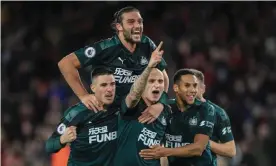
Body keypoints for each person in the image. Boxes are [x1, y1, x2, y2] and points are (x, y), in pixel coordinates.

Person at [57, 6, 169, 120]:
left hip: (137, 115)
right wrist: (83, 96)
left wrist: (160, 104)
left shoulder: (147, 44)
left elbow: (163, 76)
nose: (137, 26)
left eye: (140, 22)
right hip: (107, 116)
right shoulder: (106, 48)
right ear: (119, 26)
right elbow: (66, 63)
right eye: (131, 22)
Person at [139, 69, 216, 166]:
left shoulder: (206, 109)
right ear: (176, 88)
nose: (193, 90)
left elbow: (198, 148)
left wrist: (165, 152)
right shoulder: (165, 108)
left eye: (195, 85)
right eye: (187, 85)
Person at [45, 67, 118, 166]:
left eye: (112, 84)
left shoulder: (120, 110)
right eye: (103, 85)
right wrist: (63, 139)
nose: (109, 89)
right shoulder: (76, 113)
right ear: (93, 88)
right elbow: (49, 145)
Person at [114, 42, 171, 166]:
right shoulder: (131, 106)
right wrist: (149, 67)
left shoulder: (166, 111)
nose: (157, 84)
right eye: (151, 81)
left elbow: (167, 147)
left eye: (160, 81)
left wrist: (164, 152)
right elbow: (134, 95)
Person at [190, 69, 236, 163]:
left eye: (194, 85)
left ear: (202, 89)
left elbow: (231, 150)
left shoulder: (218, 113)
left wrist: (205, 143)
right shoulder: (174, 111)